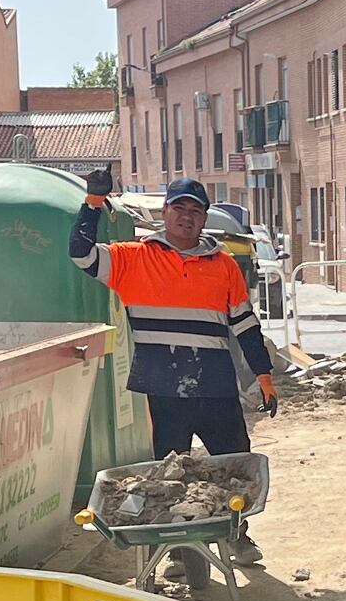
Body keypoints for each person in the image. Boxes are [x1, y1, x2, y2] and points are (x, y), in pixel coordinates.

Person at [73, 170, 276, 458]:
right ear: (165, 212)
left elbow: (246, 326)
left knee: (237, 469)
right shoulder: (132, 259)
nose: (187, 216)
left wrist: (264, 377)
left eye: (195, 210)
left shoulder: (224, 266)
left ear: (205, 218)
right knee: (169, 479)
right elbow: (82, 255)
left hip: (216, 388)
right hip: (162, 391)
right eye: (179, 207)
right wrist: (94, 202)